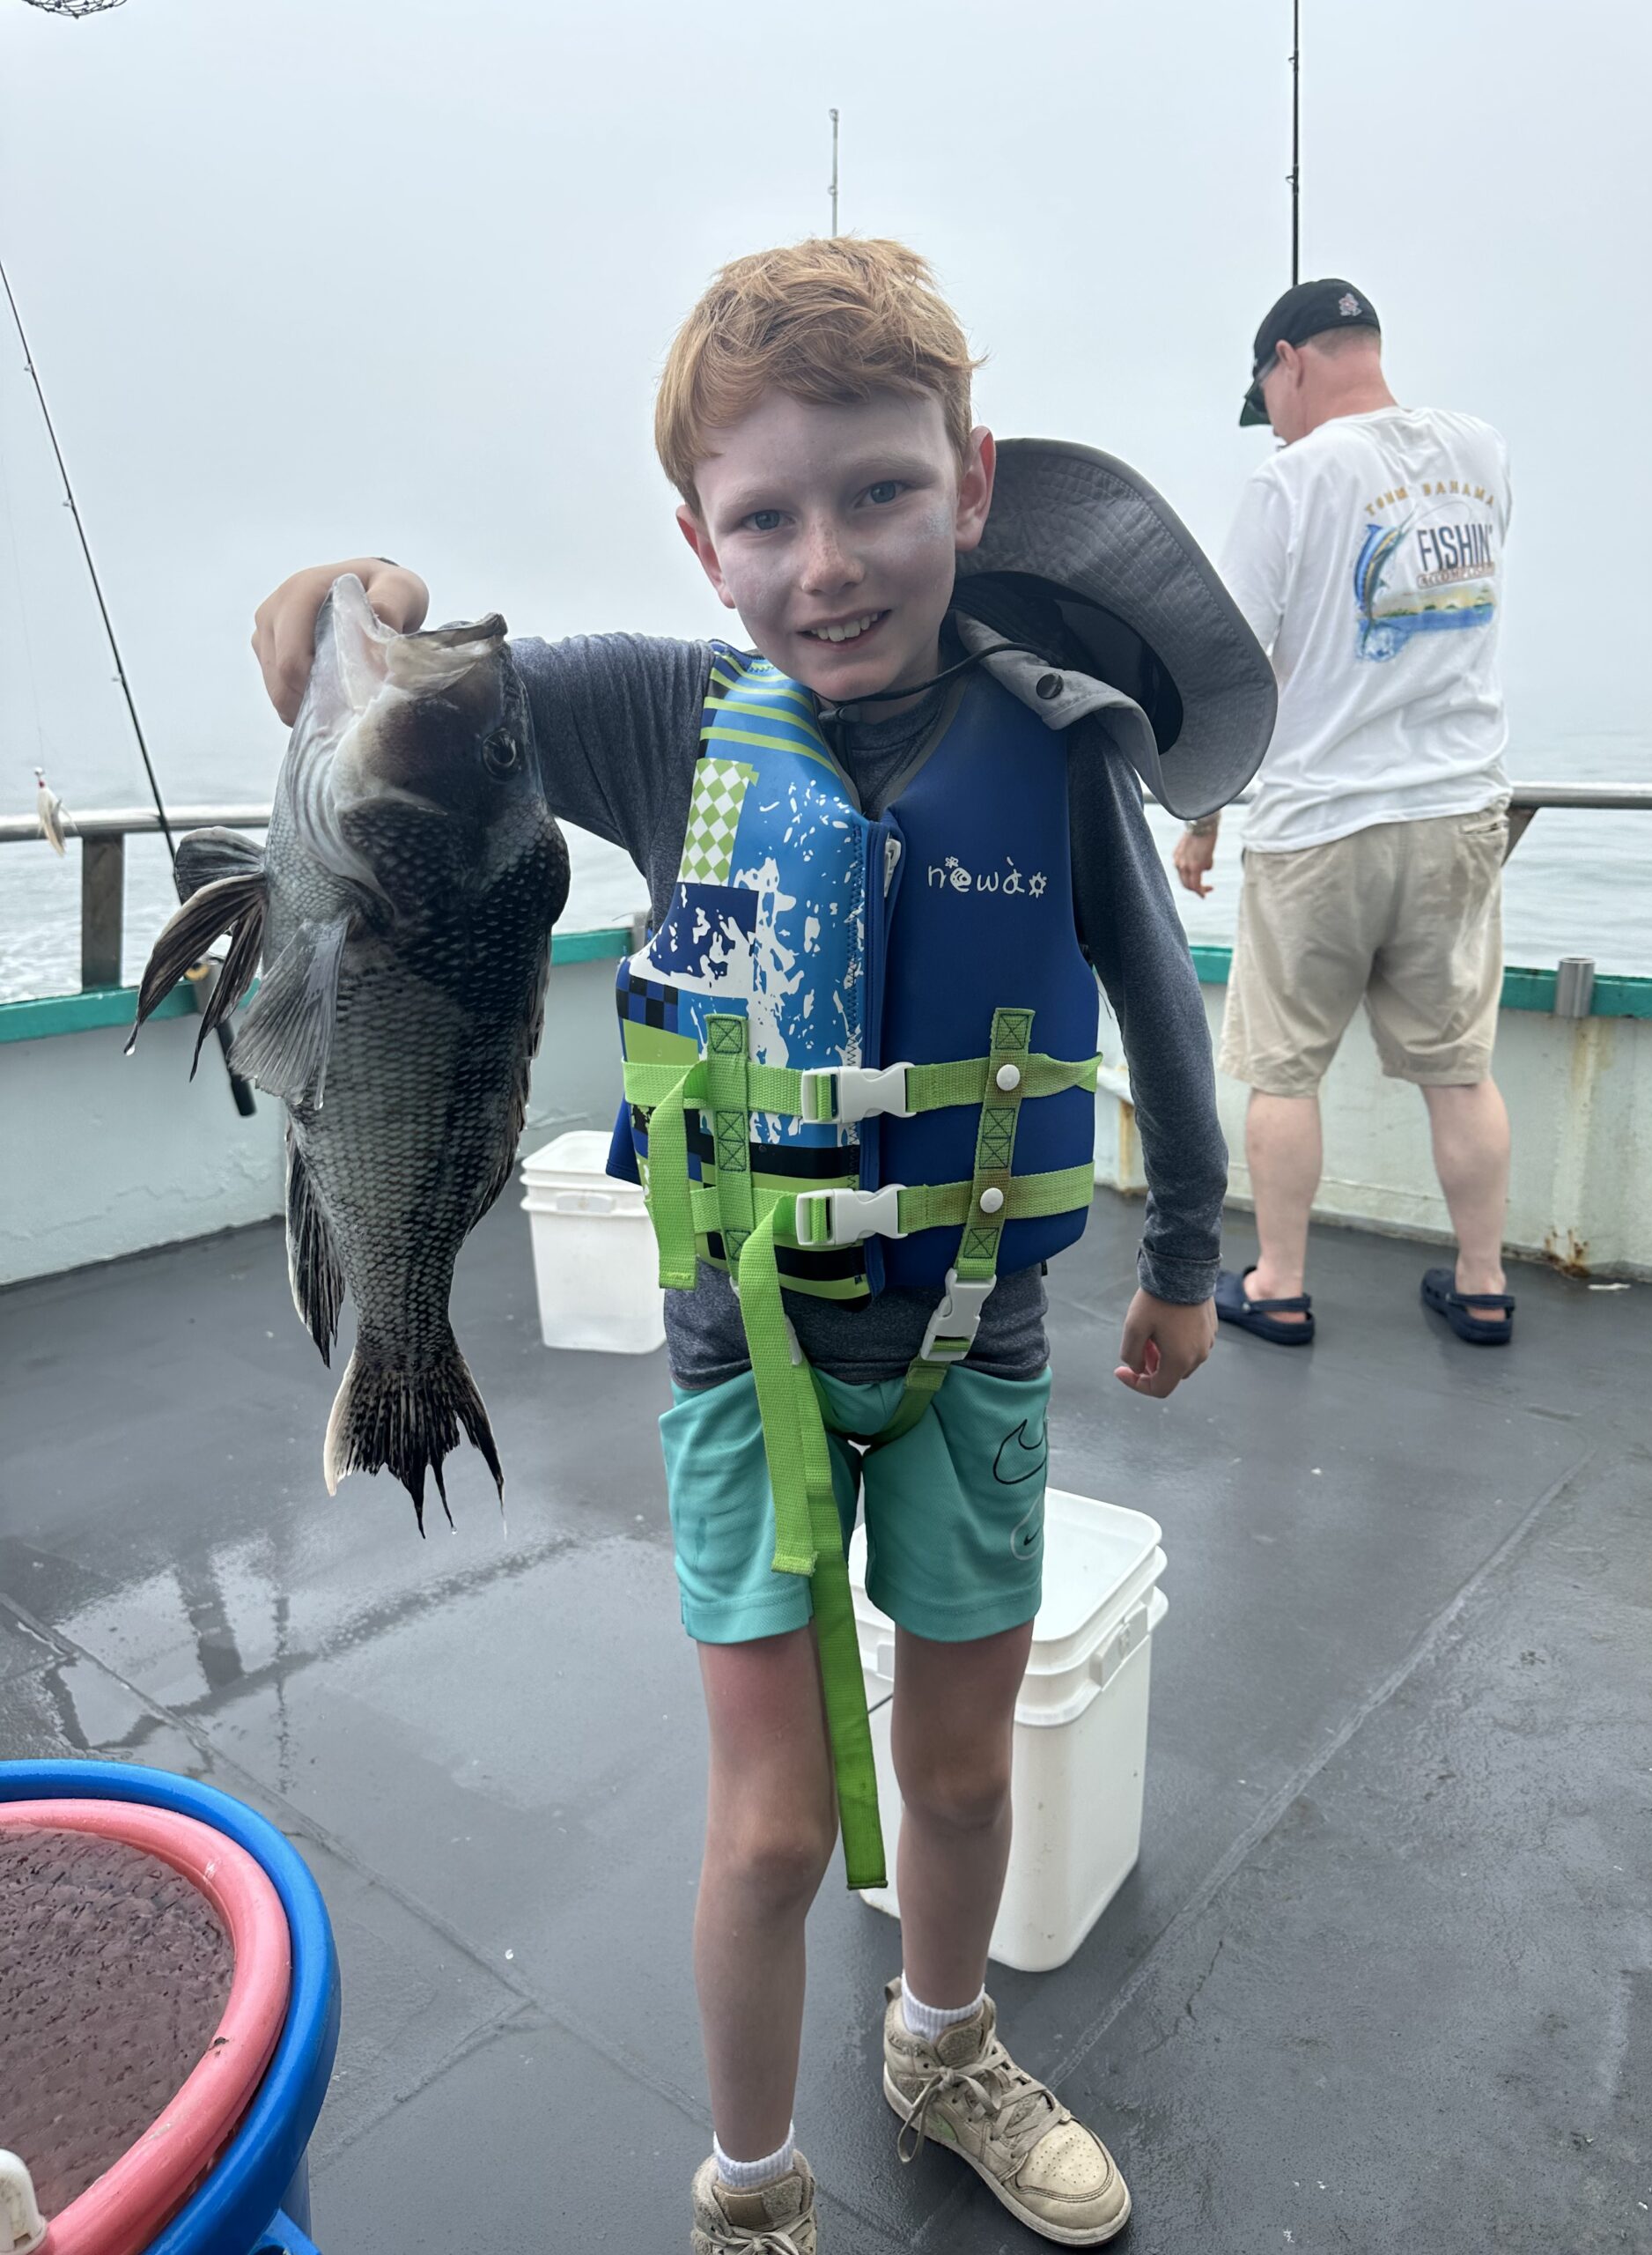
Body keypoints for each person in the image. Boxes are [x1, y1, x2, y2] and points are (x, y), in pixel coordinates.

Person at [250, 238, 1273, 2250]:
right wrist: (325, 611)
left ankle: (946, 2037)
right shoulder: (650, 716)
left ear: (970, 488)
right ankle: (745, 2182)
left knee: (963, 1784)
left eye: (881, 492)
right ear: (699, 541)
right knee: (771, 1826)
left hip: (979, 1340)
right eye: (768, 516)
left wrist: (1184, 1250)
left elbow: (1159, 999)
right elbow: (378, 698)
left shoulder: (1059, 739)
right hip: (747, 1362)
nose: (829, 561)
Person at [1176, 277, 1517, 1349]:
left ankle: (1277, 1283)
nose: (1270, 419)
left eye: (1266, 394)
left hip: (1320, 822)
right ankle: (1482, 1282)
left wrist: (1201, 816)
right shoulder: (1483, 453)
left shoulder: (1289, 483)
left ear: (1292, 360)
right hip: (1459, 813)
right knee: (1459, 1067)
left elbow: (1233, 669)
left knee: (1283, 1068)